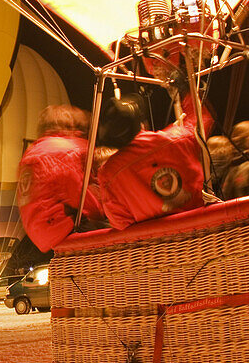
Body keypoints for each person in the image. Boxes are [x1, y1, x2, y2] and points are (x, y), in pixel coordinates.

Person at [97, 92, 213, 230]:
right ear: (141, 123)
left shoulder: (108, 173)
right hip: (204, 233)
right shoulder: (176, 138)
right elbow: (202, 119)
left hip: (158, 247)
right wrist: (186, 92)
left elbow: (120, 222)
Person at [17, 105, 107, 251]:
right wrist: (102, 212)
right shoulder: (68, 150)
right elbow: (82, 194)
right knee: (125, 232)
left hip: (40, 232)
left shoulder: (33, 151)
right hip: (64, 225)